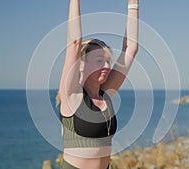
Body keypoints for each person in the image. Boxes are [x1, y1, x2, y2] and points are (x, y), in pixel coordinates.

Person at [56, 0, 139, 168]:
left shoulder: (105, 94)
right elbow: (74, 43)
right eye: (100, 61)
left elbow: (131, 48)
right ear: (80, 63)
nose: (107, 66)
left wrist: (133, 5)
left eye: (108, 61)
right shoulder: (71, 95)